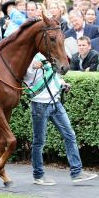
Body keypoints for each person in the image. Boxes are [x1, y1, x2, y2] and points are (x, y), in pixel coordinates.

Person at [23, 52, 98, 185]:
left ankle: (77, 172)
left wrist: (63, 84)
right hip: (40, 103)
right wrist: (33, 67)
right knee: (39, 141)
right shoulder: (28, 56)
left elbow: (54, 76)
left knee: (70, 135)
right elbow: (25, 76)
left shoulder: (46, 55)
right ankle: (38, 176)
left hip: (55, 102)